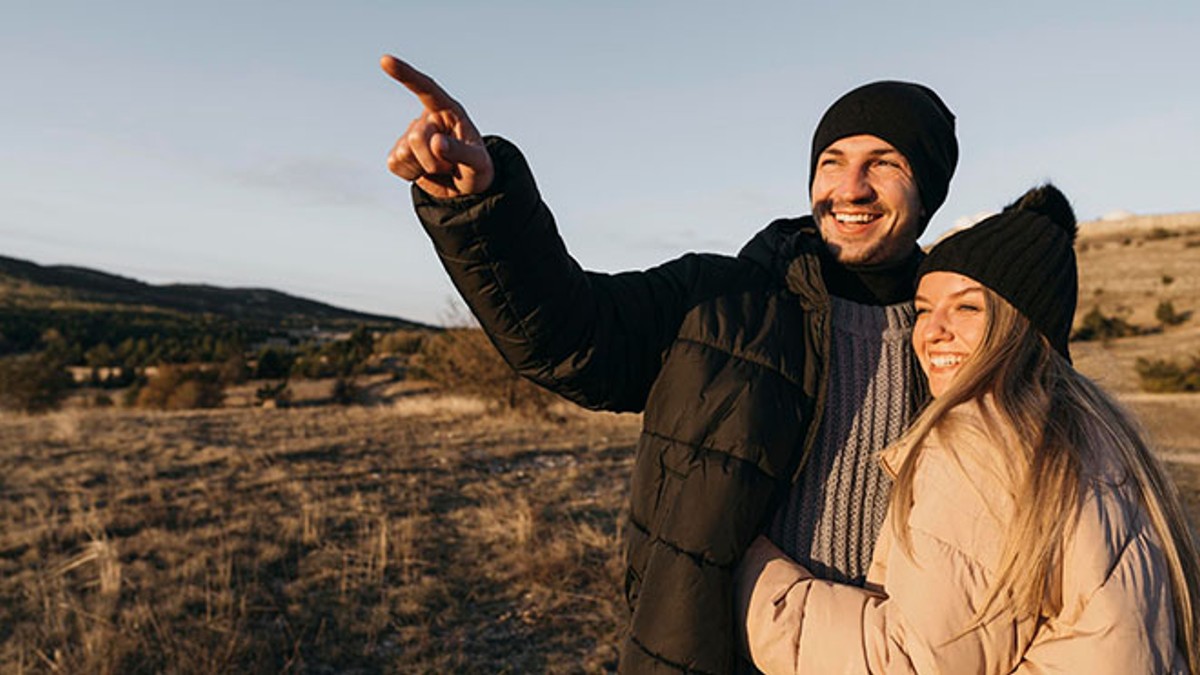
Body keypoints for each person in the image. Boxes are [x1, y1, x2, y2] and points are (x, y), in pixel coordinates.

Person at [380, 55, 958, 673]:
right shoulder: (719, 301)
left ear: (926, 189)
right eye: (832, 162)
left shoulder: (968, 337)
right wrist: (483, 207)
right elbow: (571, 336)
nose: (850, 188)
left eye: (884, 164)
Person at [735, 184, 1200, 673]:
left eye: (967, 307)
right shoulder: (1097, 434)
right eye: (923, 309)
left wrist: (748, 577)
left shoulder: (983, 436)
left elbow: (910, 663)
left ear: (1022, 324)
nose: (932, 331)